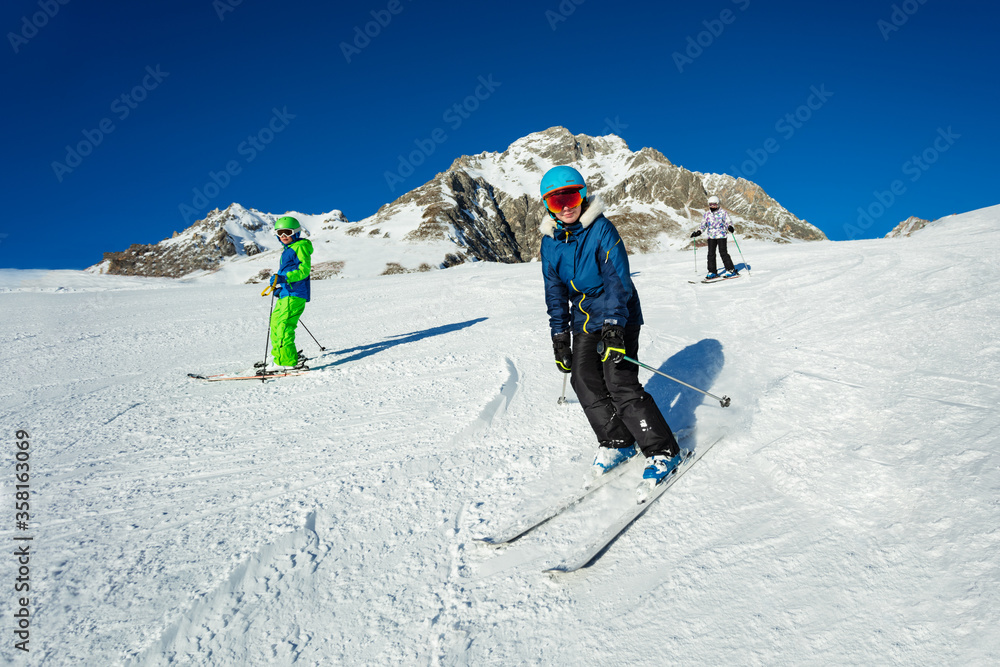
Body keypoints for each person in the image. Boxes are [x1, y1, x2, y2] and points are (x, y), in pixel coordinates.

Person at [539, 166, 686, 492]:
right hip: (583, 321)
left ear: (583, 195)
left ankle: (663, 449)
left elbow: (617, 282)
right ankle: (618, 440)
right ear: (548, 205)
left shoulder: (601, 229)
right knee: (583, 379)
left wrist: (614, 329)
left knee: (618, 379)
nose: (566, 206)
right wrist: (560, 337)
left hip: (618, 313)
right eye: (556, 200)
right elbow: (555, 293)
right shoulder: (550, 243)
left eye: (572, 196)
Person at [266, 216, 313, 369]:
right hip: (288, 293)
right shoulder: (287, 250)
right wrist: (282, 289)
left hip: (295, 295)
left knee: (284, 327)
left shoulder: (300, 247)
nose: (283, 236)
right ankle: (279, 357)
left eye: (286, 232)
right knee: (275, 324)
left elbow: (303, 271)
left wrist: (284, 278)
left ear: (296, 232)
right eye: (279, 233)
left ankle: (288, 361)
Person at [690, 195, 738, 279]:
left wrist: (730, 227)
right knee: (711, 254)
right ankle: (712, 271)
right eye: (711, 204)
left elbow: (728, 221)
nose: (712, 206)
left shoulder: (723, 213)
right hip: (711, 236)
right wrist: (698, 232)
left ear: (718, 204)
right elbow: (703, 225)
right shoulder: (707, 214)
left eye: (714, 204)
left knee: (723, 252)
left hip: (721, 235)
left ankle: (730, 269)